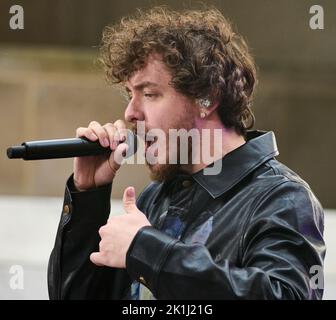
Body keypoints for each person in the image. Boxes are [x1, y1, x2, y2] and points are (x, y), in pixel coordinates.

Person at [48, 7, 325, 299]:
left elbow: (287, 294)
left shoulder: (282, 198)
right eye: (130, 95)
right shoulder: (156, 197)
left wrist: (145, 249)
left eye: (150, 94)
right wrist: (88, 197)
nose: (130, 112)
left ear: (208, 97)